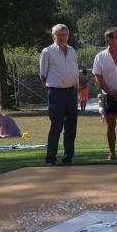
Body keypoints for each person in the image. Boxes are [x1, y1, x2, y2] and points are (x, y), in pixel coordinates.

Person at [39, 24, 79, 165]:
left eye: (64, 34)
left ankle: (68, 157)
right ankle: (50, 158)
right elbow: (43, 76)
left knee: (71, 126)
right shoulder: (47, 52)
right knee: (56, 126)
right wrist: (52, 90)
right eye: (59, 35)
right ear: (53, 36)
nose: (62, 37)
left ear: (68, 36)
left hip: (72, 92)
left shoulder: (72, 50)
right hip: (56, 93)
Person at [92, 27, 117, 160]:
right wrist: (109, 91)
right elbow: (98, 77)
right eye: (116, 36)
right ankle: (112, 152)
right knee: (110, 126)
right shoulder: (100, 56)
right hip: (108, 96)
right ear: (108, 39)